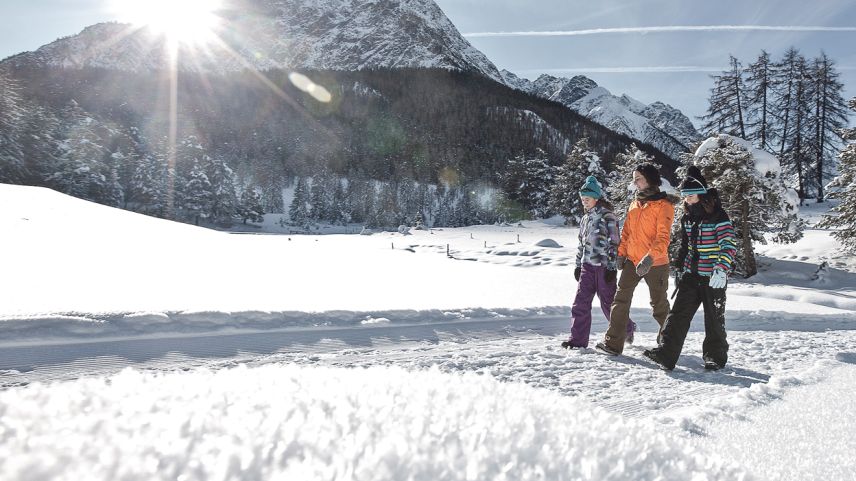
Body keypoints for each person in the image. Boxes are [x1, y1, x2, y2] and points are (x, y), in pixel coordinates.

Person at [643, 166, 737, 371]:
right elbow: (686, 247)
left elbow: (728, 244)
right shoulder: (688, 218)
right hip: (691, 276)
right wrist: (680, 268)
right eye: (684, 195)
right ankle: (666, 354)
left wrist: (721, 268)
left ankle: (715, 357)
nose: (687, 199)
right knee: (677, 315)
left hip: (713, 277)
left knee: (714, 318)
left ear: (702, 193)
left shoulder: (718, 216)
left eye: (691, 194)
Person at [596, 163, 677, 356]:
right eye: (634, 179)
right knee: (620, 300)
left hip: (655, 263)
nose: (635, 183)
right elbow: (627, 232)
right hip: (632, 261)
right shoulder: (635, 204)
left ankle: (668, 344)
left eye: (638, 178)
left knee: (659, 305)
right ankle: (613, 344)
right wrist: (621, 253)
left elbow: (663, 237)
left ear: (649, 179)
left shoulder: (664, 206)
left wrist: (649, 258)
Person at [561, 176, 634, 348]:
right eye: (582, 199)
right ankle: (577, 341)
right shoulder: (585, 219)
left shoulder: (608, 216)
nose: (584, 202)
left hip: (603, 267)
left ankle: (628, 328)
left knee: (608, 304)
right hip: (587, 266)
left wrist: (611, 267)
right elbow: (581, 244)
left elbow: (615, 242)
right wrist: (578, 265)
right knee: (580, 304)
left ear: (596, 198)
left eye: (587, 199)